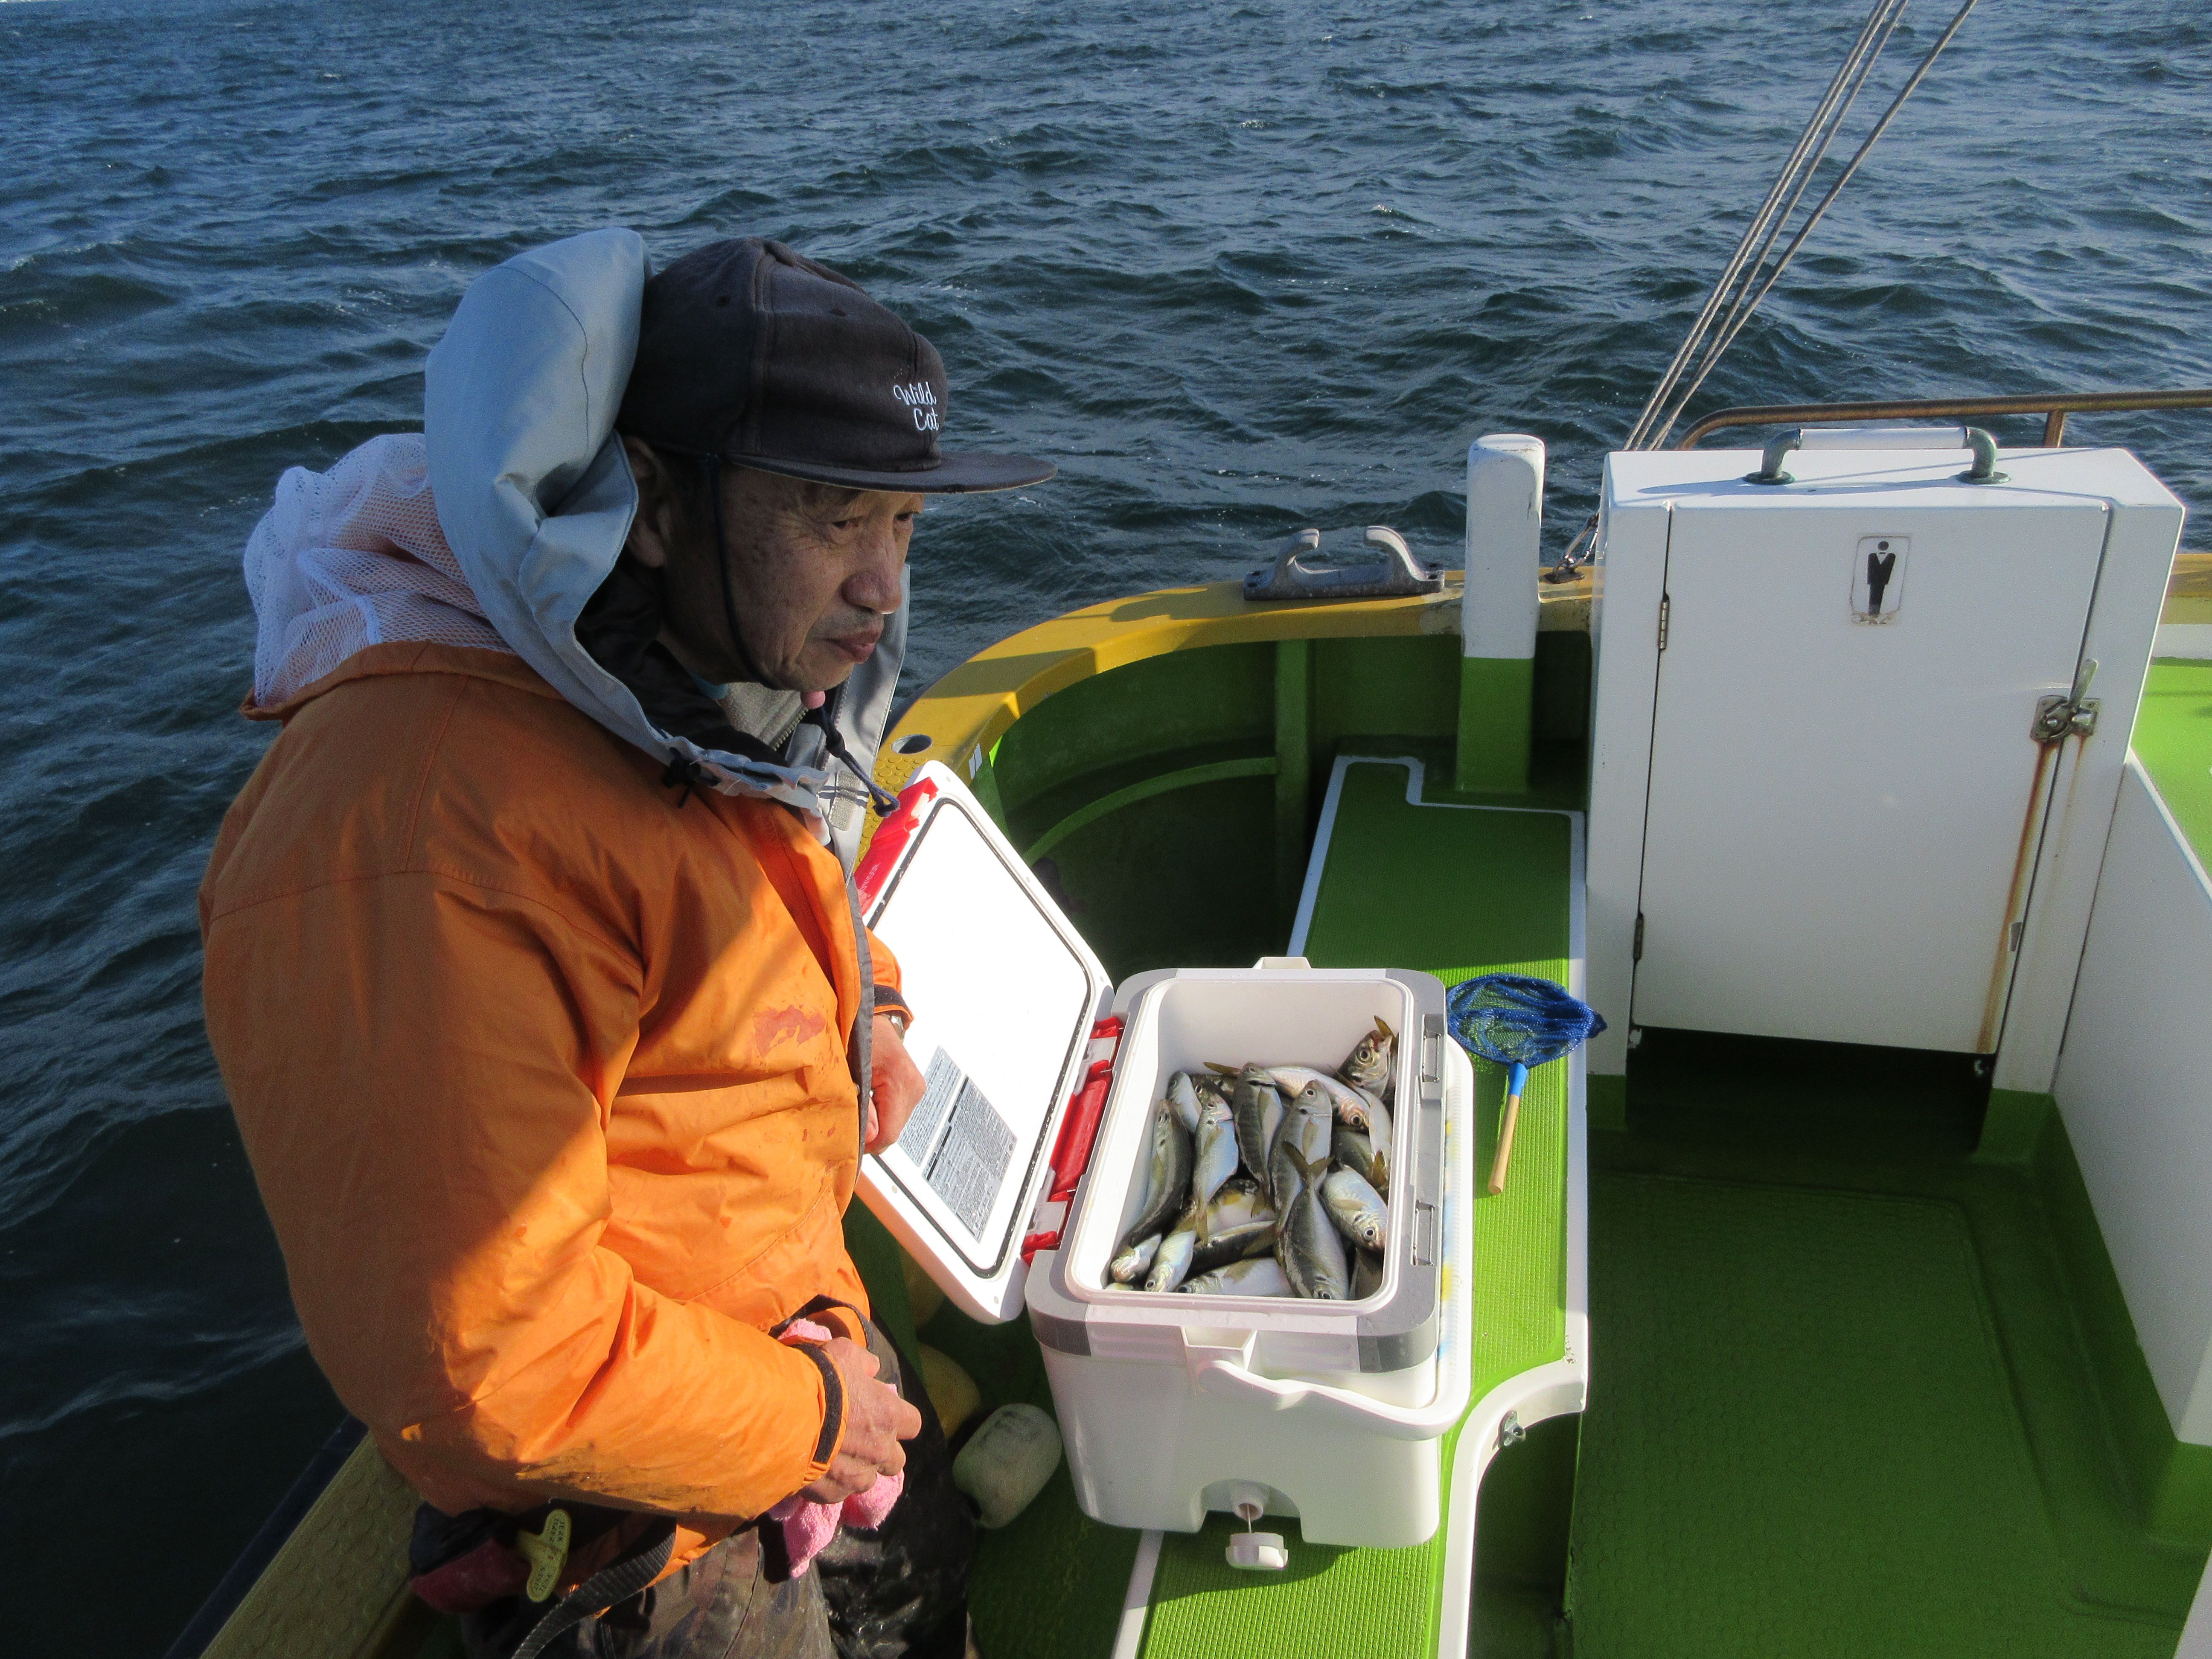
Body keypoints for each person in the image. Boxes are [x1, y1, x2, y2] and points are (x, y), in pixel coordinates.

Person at [199, 230, 1053, 1658]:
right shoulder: (421, 834)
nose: (884, 586)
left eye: (905, 525)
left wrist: (871, 1008)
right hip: (643, 1528)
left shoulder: (678, 674)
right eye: (836, 518)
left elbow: (759, 861)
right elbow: (487, 1359)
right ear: (650, 503)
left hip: (796, 1346)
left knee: (926, 1592)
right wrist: (813, 1419)